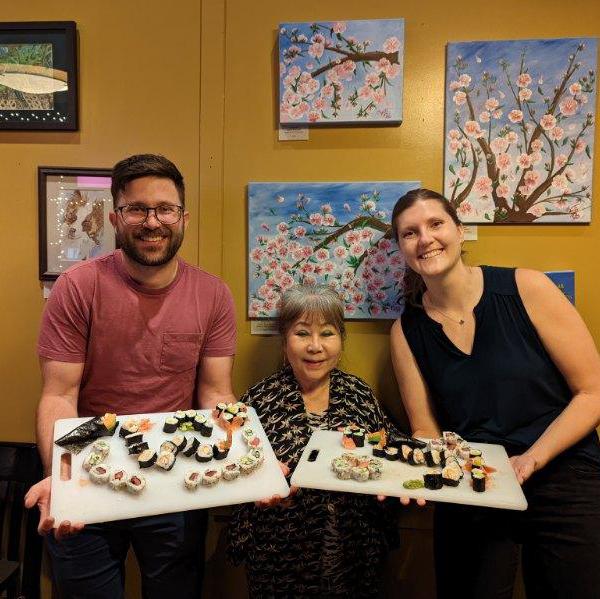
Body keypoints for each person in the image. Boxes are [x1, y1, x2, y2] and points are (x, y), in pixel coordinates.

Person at [25, 154, 237, 599]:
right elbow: (59, 395)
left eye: (165, 209)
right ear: (115, 218)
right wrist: (60, 477)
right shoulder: (78, 286)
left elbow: (216, 393)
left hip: (176, 474)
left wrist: (246, 459)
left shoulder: (213, 294)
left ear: (183, 218)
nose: (152, 221)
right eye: (137, 209)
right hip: (87, 467)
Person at [389, 188, 600, 599]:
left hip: (564, 468)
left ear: (459, 230)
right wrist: (405, 474)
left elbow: (592, 392)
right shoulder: (406, 331)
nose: (425, 239)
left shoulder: (527, 287)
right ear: (401, 248)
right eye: (409, 233)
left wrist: (532, 457)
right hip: (474, 481)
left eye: (436, 224)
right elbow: (426, 431)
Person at [228, 284, 400, 598]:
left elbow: (389, 450)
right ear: (284, 341)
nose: (315, 346)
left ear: (341, 339)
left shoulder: (359, 394)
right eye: (302, 333)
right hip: (279, 557)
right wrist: (259, 489)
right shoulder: (258, 400)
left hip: (354, 553)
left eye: (328, 333)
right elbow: (235, 469)